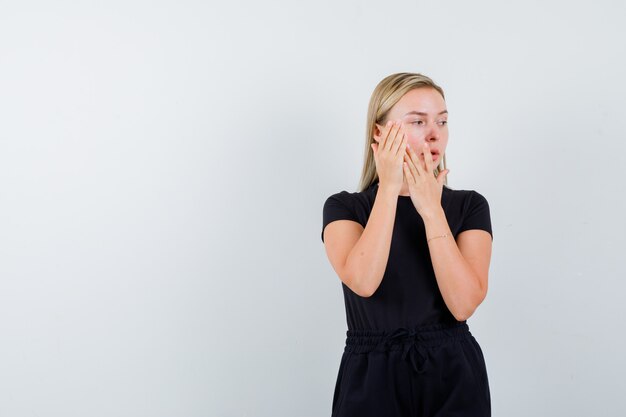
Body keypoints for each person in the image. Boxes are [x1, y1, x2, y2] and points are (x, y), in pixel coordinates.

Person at [321, 73, 493, 416]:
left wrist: (431, 210)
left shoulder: (470, 206)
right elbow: (364, 281)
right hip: (371, 377)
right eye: (417, 121)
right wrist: (389, 187)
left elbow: (462, 305)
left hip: (453, 373)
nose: (435, 134)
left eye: (442, 121)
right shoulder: (345, 209)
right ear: (379, 132)